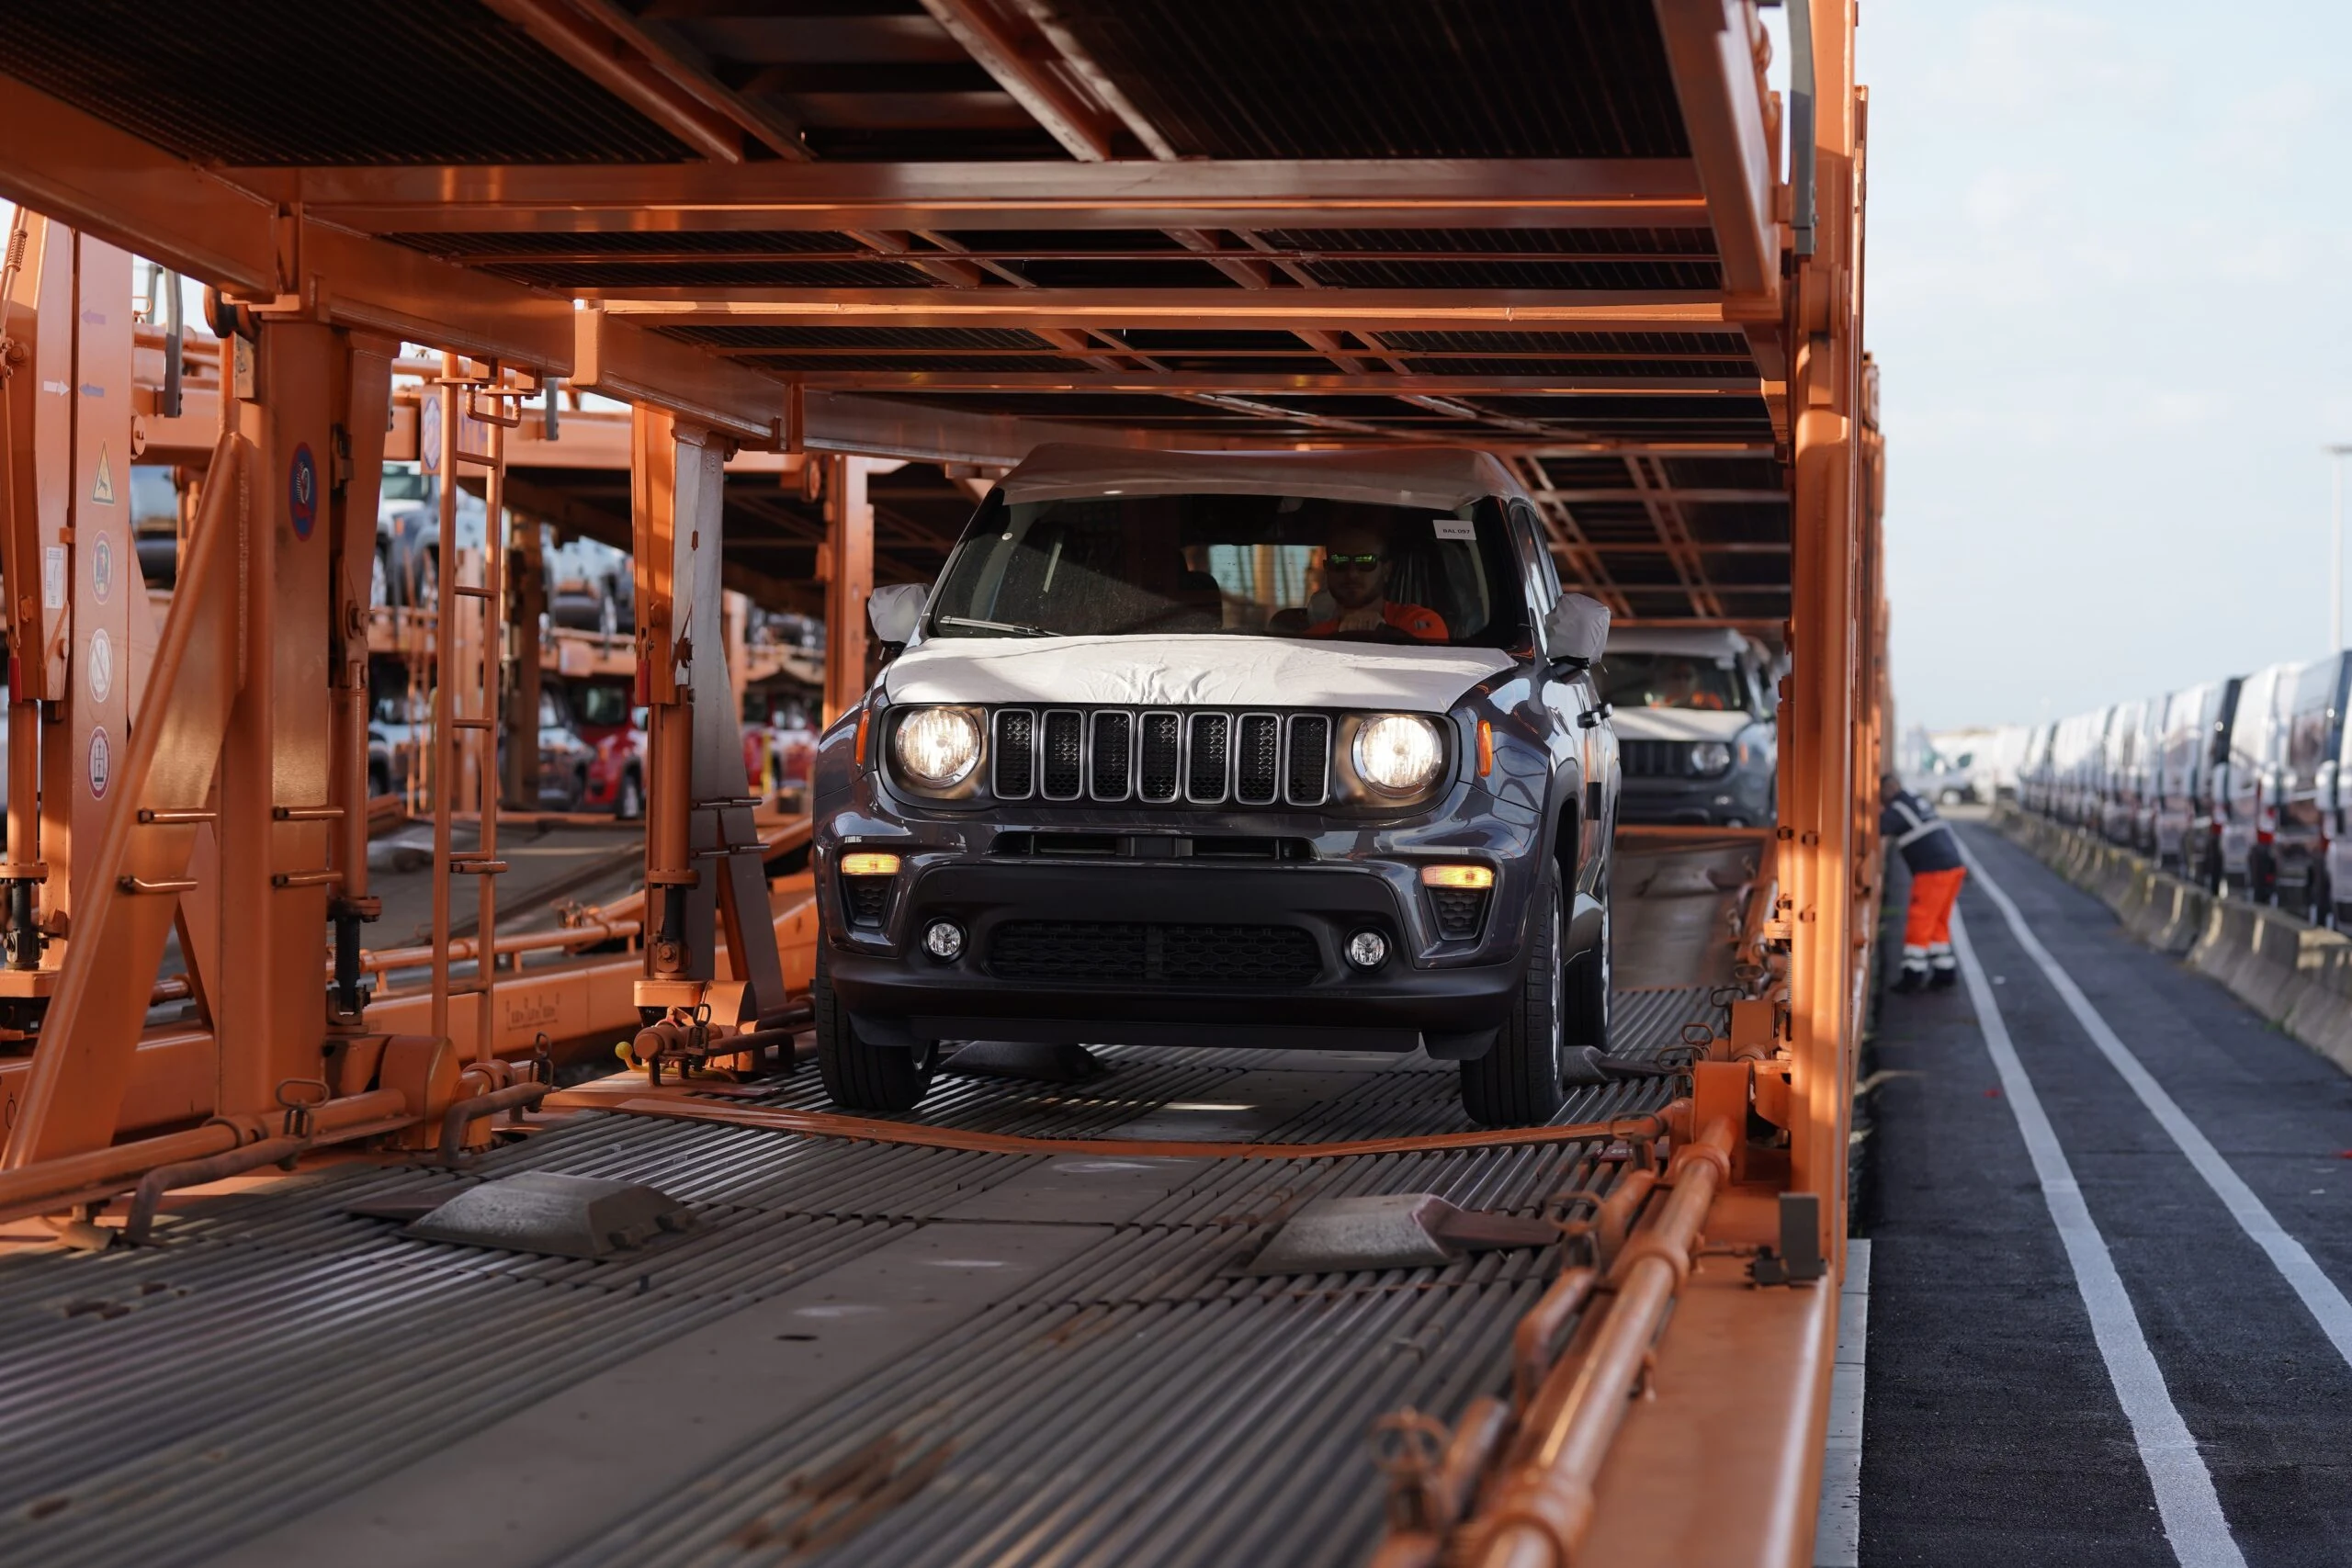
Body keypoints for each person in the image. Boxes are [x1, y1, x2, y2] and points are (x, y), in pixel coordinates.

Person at [1882, 773, 1965, 992]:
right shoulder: (1915, 800)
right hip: (1953, 866)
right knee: (1938, 921)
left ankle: (1913, 975)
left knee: (1920, 920)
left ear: (1890, 789)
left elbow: (1877, 828)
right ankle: (1944, 971)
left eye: (1881, 794)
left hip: (1933, 871)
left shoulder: (1898, 809)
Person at [1307, 517, 1447, 641]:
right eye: (1339, 562)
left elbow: (1425, 665)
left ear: (1386, 570)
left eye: (1366, 561)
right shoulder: (1313, 638)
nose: (1352, 574)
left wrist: (1385, 633)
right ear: (1327, 569)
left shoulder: (1420, 622)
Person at [1657, 659, 1727, 710]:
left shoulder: (1709, 701)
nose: (1682, 681)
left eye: (1687, 676)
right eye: (1677, 676)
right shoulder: (1660, 705)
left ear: (1697, 681)